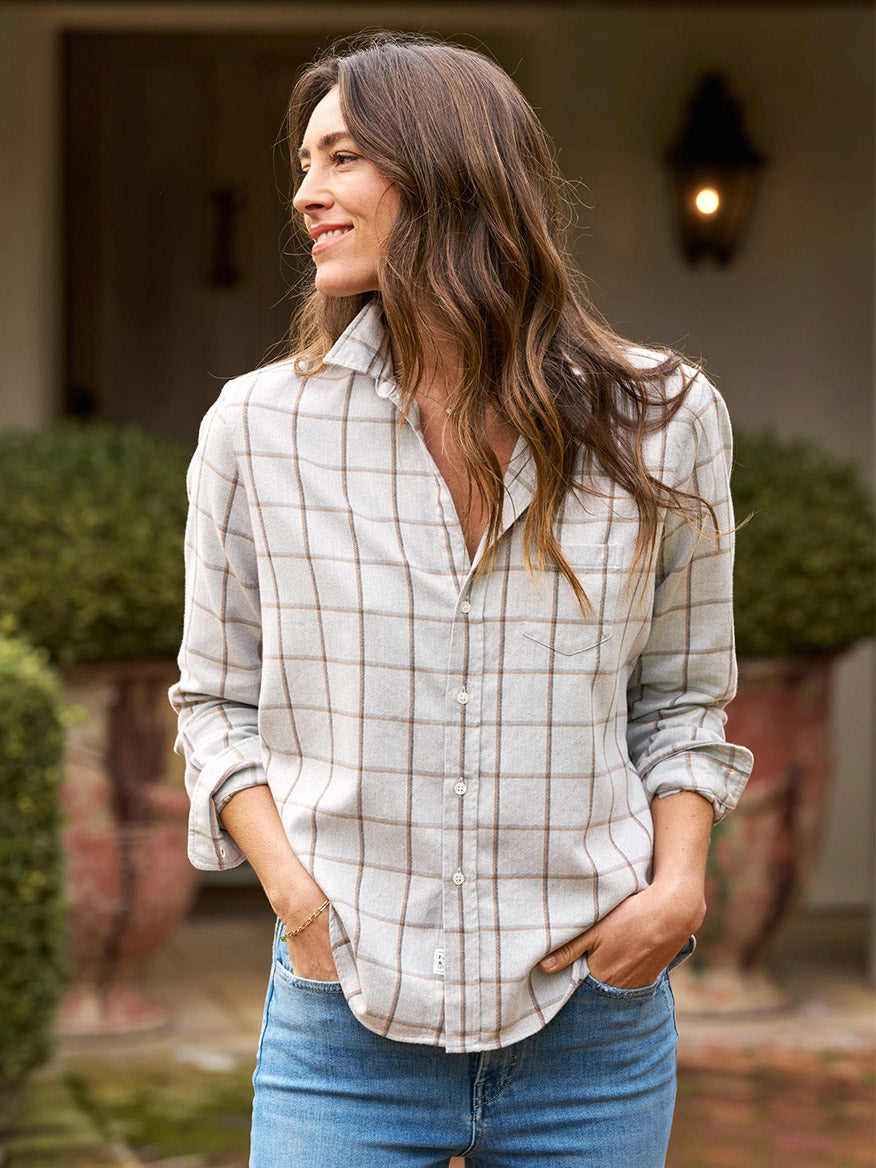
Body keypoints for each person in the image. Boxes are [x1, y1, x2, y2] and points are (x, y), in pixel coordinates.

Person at [170, 31, 753, 1168]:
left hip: (595, 1027)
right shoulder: (258, 430)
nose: (304, 193)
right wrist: (298, 903)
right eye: (304, 162)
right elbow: (214, 702)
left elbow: (683, 698)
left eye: (339, 158)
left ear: (444, 171)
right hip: (343, 1029)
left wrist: (678, 889)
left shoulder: (665, 416)